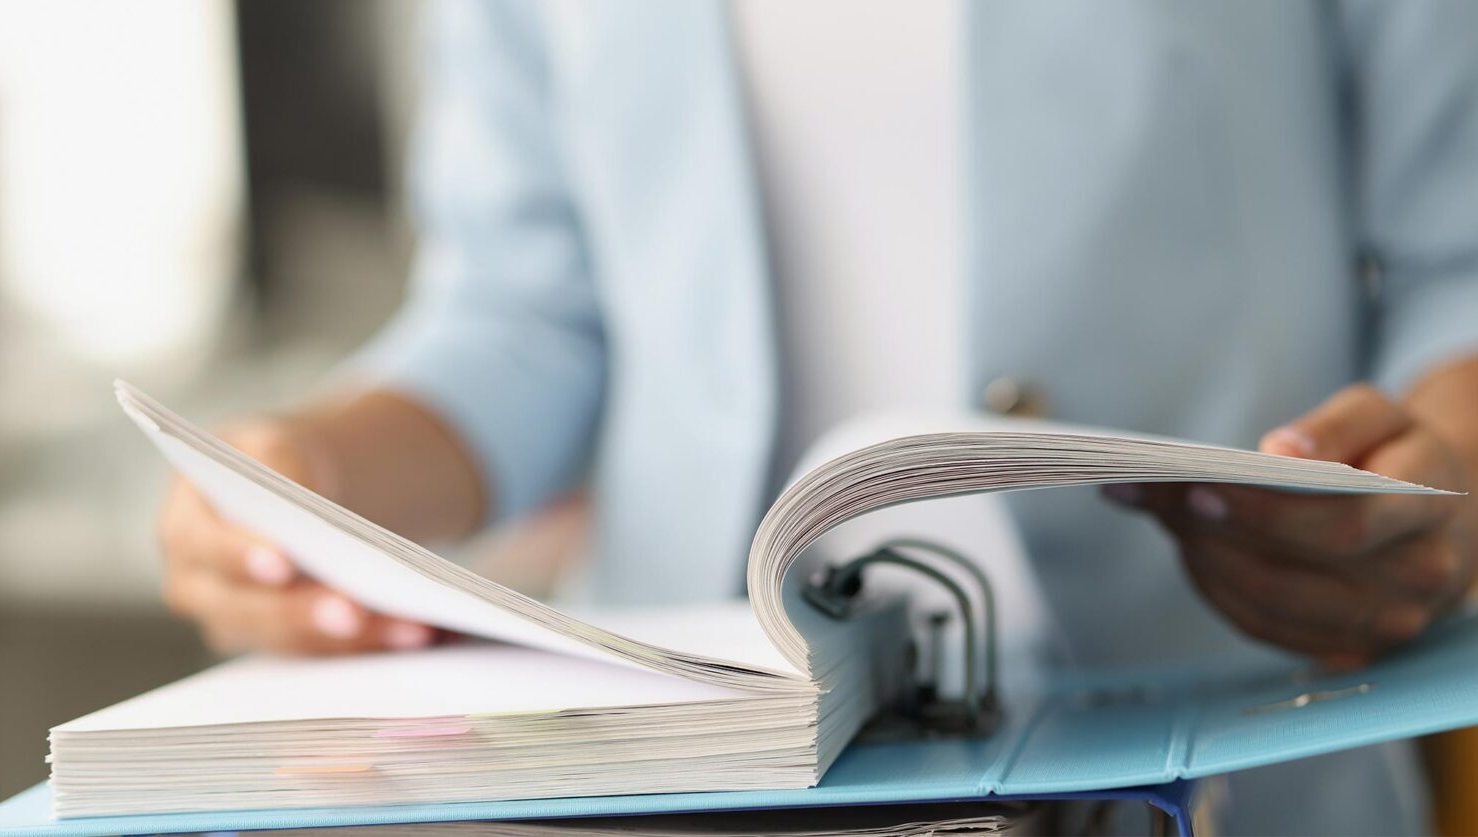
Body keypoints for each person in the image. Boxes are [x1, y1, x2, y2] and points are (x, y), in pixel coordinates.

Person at [156, 2, 1478, 833]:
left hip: (1235, 746)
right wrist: (313, 481)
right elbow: (527, 308)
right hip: (697, 783)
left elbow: (1457, 254)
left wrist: (1447, 470)